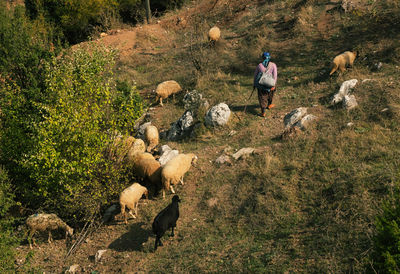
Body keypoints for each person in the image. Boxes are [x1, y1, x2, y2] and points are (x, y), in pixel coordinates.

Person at [253, 52, 278, 117]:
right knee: (271, 94)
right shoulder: (273, 65)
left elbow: (255, 75)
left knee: (262, 97)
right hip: (270, 85)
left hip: (261, 85)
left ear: (262, 58)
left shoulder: (259, 65)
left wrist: (254, 84)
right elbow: (275, 76)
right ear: (269, 57)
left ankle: (263, 112)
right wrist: (274, 85)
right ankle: (269, 105)